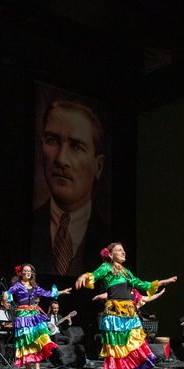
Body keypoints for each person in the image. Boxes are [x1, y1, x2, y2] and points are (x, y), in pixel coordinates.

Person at [75, 243, 177, 369]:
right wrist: (84, 276)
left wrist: (164, 282)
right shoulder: (107, 267)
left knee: (135, 344)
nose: (123, 252)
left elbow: (143, 285)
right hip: (115, 314)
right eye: (119, 250)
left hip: (130, 313)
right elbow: (94, 275)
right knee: (117, 347)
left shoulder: (127, 272)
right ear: (110, 254)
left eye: (123, 250)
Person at [31, 100, 111, 276]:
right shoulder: (31, 224)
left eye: (76, 146)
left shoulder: (109, 238)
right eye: (52, 141)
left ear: (98, 165)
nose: (61, 159)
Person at [7, 263, 71, 369]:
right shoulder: (17, 286)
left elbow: (47, 293)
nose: (27, 273)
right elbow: (8, 292)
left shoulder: (35, 287)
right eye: (25, 271)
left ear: (32, 273)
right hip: (23, 317)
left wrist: (62, 292)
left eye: (29, 271)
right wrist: (6, 297)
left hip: (35, 316)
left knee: (42, 338)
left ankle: (37, 367)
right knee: (27, 343)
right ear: (21, 273)